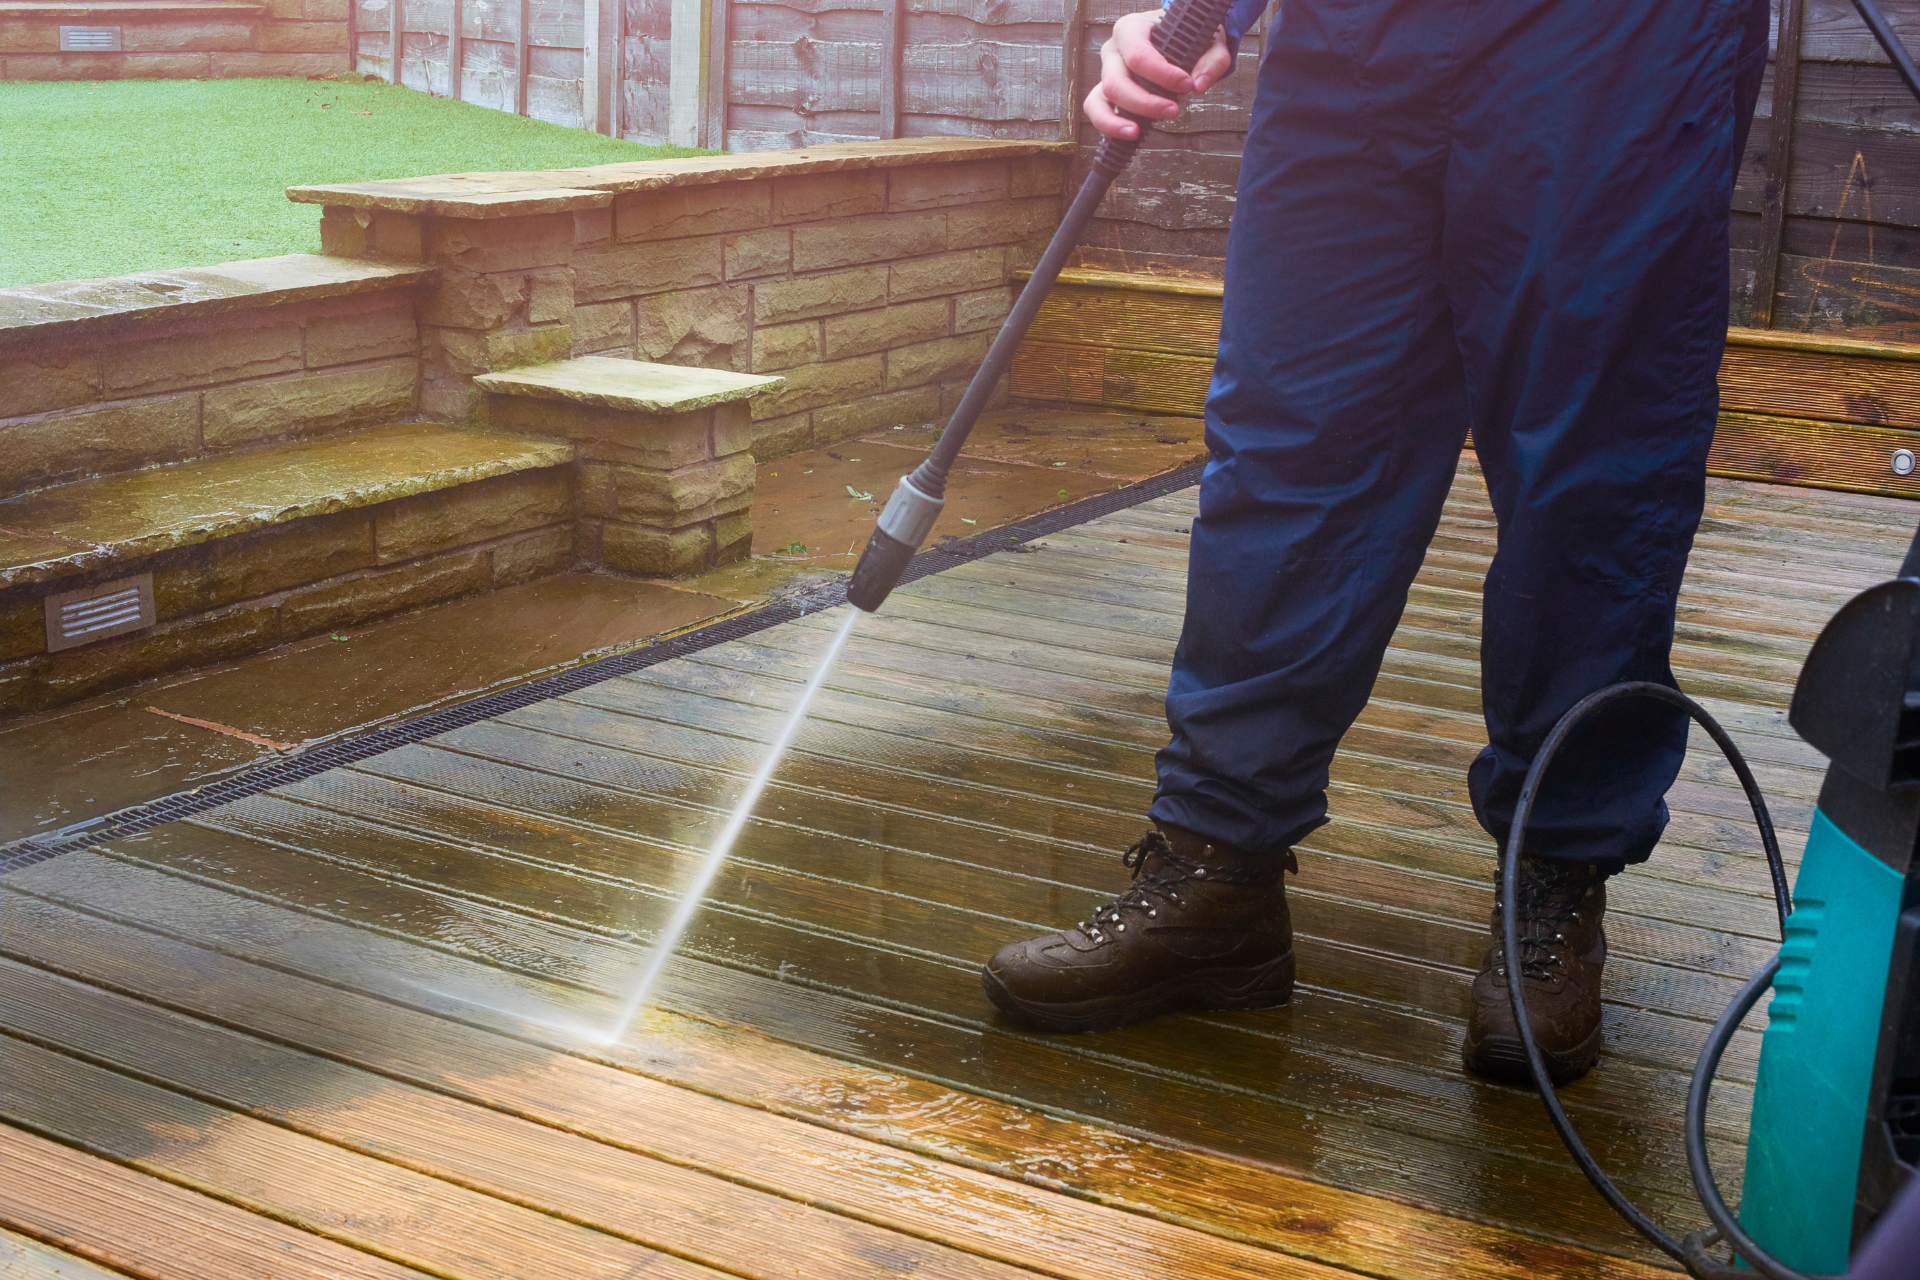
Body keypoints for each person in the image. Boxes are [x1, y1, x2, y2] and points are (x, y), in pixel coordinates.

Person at [981, 0, 1771, 1085]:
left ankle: (1553, 873)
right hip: (1357, 37)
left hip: (1614, 40)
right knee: (1292, 440)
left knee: (1593, 468)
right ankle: (1218, 867)